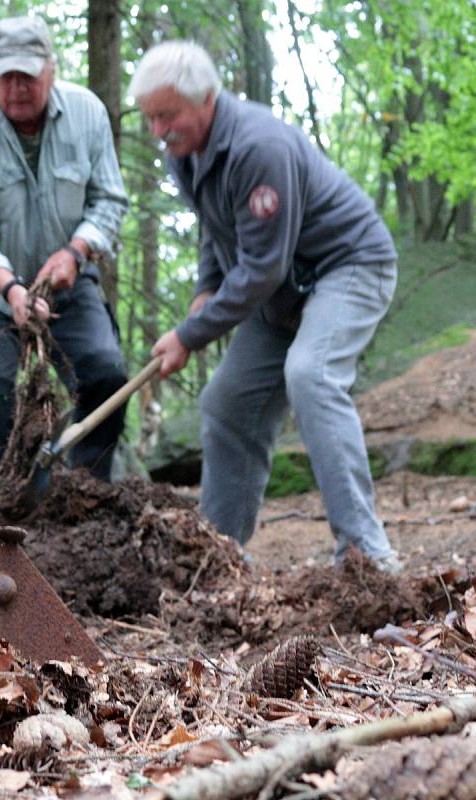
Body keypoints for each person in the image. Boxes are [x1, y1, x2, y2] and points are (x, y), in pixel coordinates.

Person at [129, 41, 403, 573]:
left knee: (311, 375)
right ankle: (216, 559)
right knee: (225, 402)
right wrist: (203, 293)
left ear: (206, 98)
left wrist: (190, 334)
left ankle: (366, 555)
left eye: (168, 115)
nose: (159, 130)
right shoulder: (185, 155)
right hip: (282, 295)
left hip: (347, 267)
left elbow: (261, 268)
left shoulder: (259, 146)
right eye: (150, 118)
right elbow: (218, 233)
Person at [0, 16, 129, 503]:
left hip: (67, 280)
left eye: (28, 75)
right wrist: (11, 289)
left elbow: (109, 200)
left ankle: (82, 498)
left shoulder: (87, 113)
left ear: (51, 68)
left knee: (105, 375)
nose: (18, 87)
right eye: (7, 77)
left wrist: (75, 251)